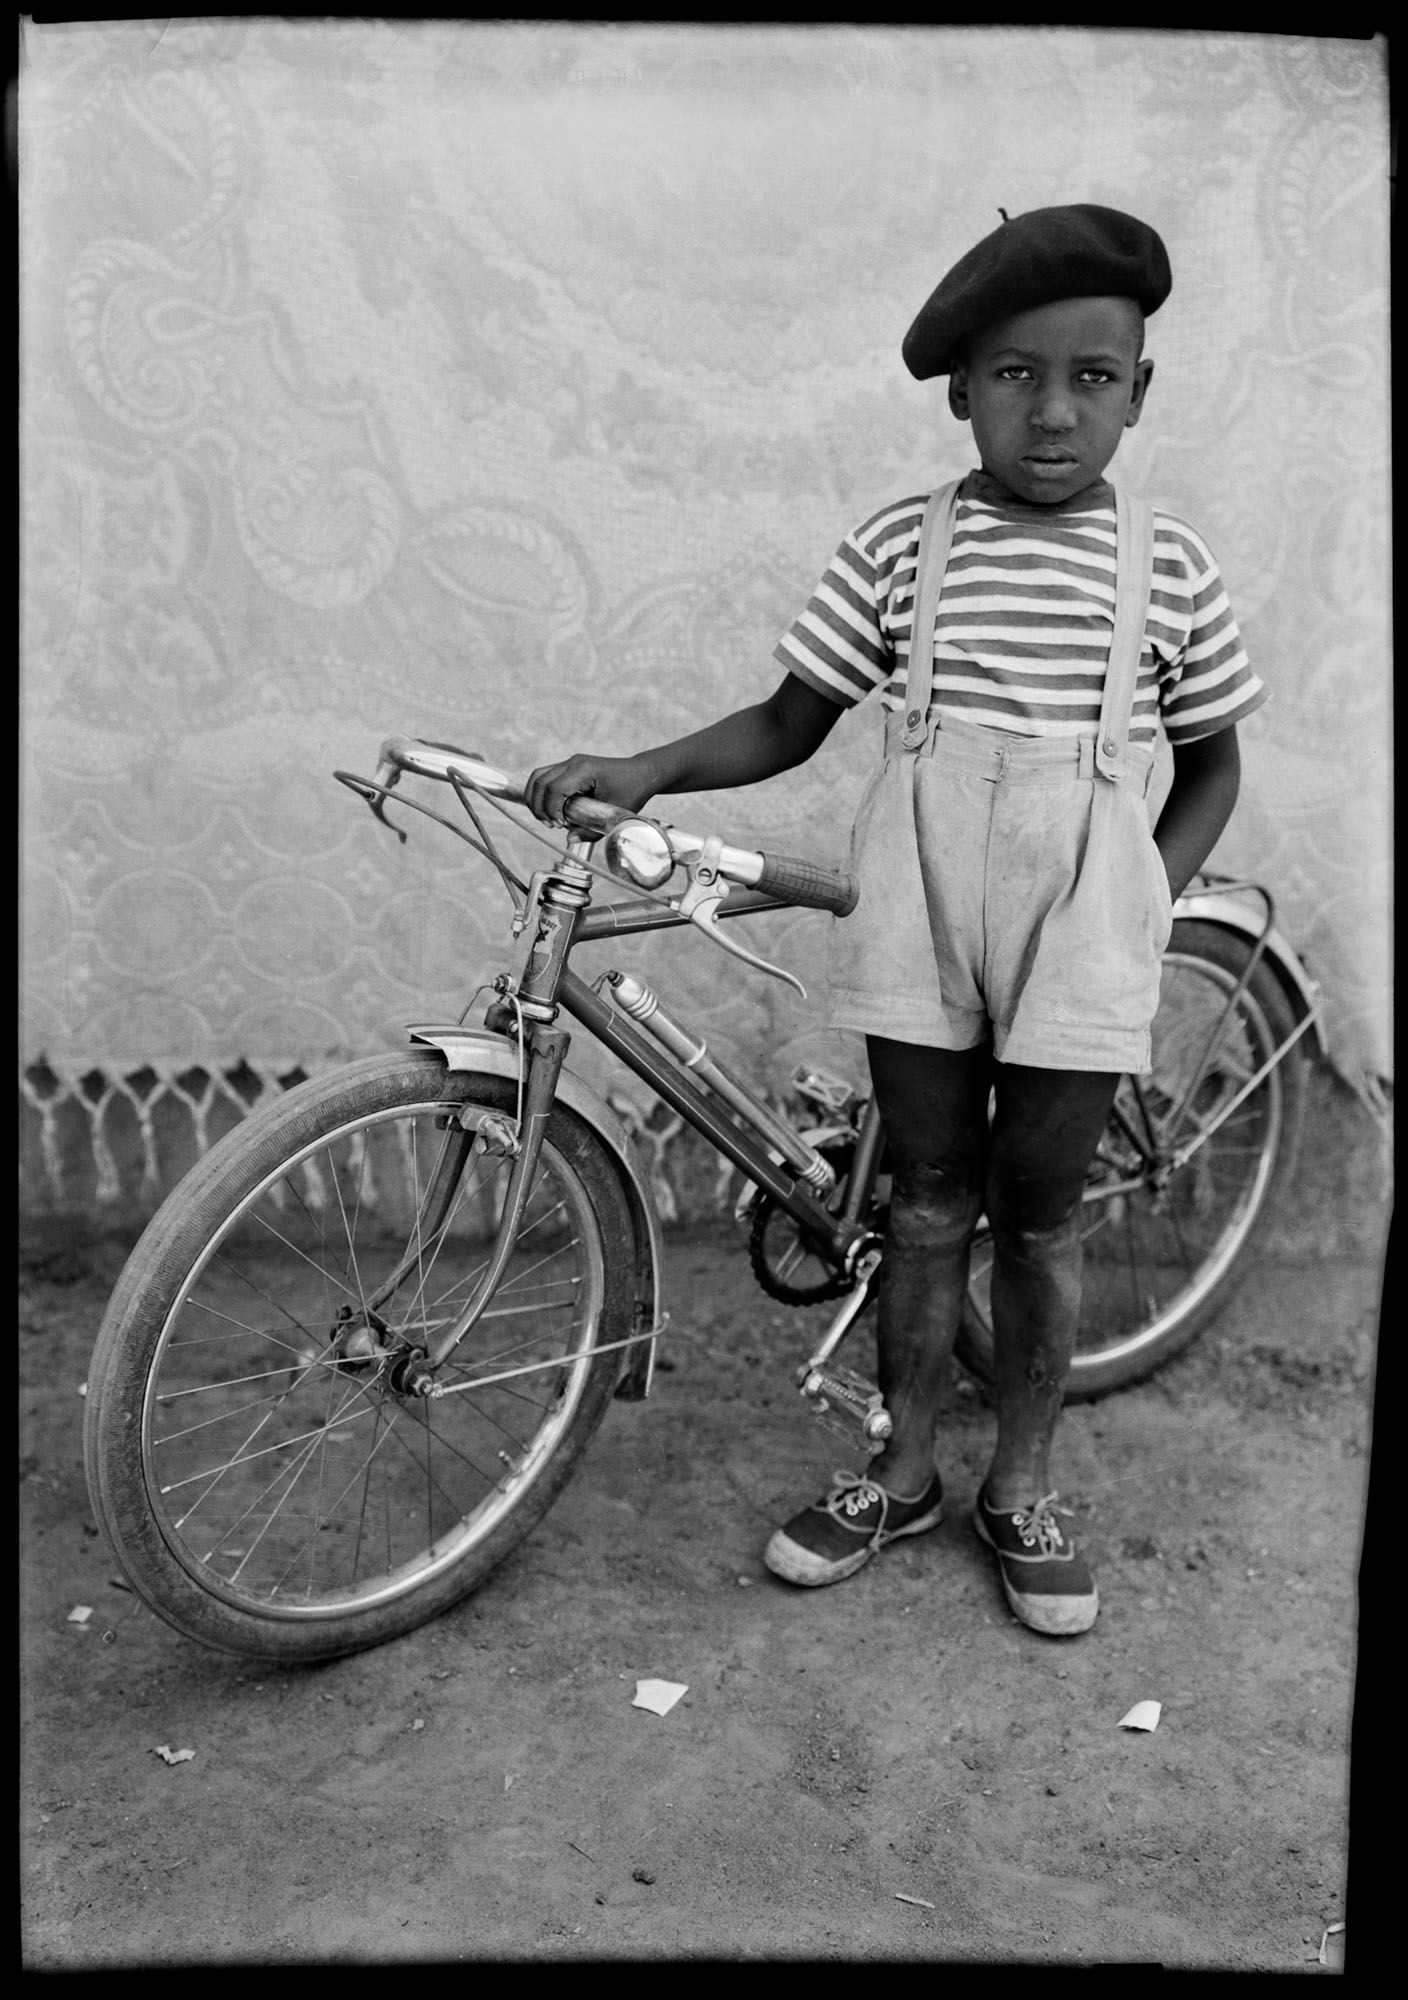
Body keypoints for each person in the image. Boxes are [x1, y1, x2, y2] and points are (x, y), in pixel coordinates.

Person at [525, 204, 1266, 1637]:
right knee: (926, 1200)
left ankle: (1023, 1484)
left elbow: (1216, 764)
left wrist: (1141, 897)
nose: (1053, 412)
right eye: (1014, 375)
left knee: (1038, 1215)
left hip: (1085, 919)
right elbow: (790, 719)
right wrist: (648, 768)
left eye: (1092, 378)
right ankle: (902, 1468)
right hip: (920, 907)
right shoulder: (901, 546)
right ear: (960, 390)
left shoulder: (1168, 564)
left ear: (1139, 391)